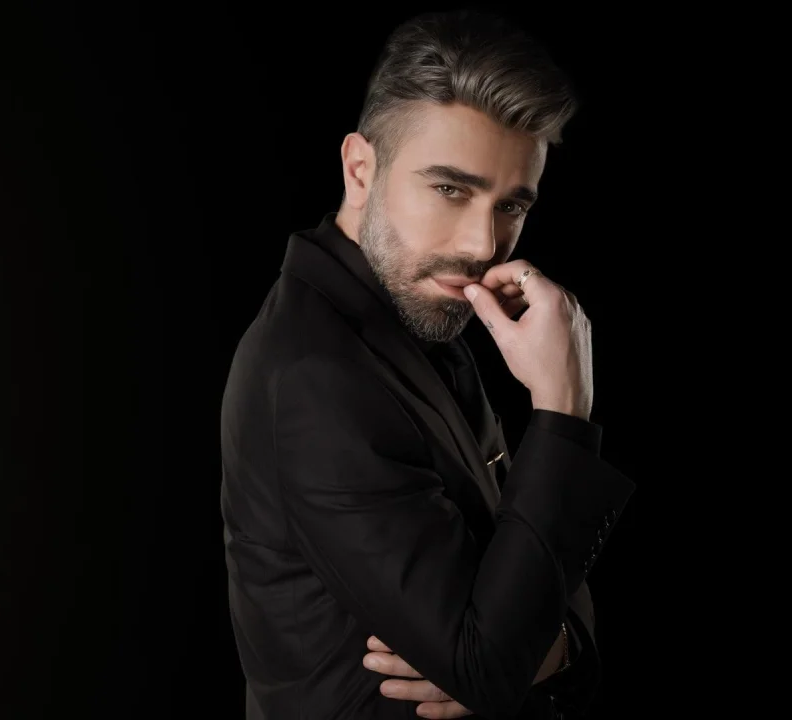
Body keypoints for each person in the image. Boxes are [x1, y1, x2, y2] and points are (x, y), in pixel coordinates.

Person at [220, 9, 635, 719]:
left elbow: (535, 598)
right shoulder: (316, 377)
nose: (482, 244)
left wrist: (553, 646)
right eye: (450, 189)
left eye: (511, 205)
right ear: (360, 169)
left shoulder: (414, 317)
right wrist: (564, 410)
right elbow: (490, 663)